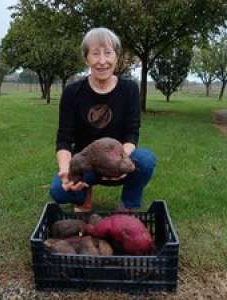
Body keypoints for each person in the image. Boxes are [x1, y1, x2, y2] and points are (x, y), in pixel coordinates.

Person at [50, 27, 157, 212]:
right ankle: (82, 198)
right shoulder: (72, 92)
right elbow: (64, 139)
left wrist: (118, 164)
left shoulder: (129, 89)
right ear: (86, 59)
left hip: (118, 158)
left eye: (108, 53)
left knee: (145, 160)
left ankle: (127, 206)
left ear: (116, 56)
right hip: (86, 164)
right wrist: (66, 170)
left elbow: (132, 134)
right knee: (59, 191)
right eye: (95, 54)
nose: (102, 61)